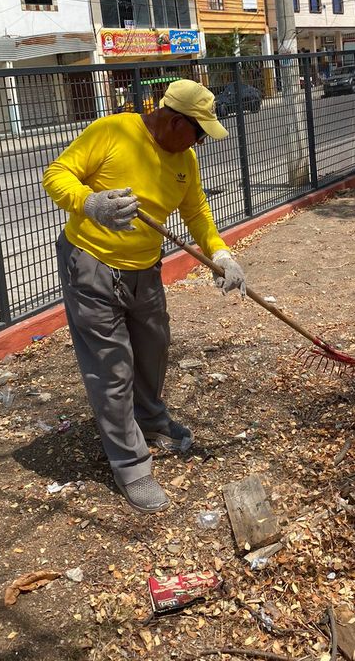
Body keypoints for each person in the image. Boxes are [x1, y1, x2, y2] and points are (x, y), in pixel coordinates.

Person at [42, 79, 246, 514]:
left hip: (145, 270)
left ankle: (150, 419)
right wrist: (90, 203)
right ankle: (131, 466)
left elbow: (196, 211)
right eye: (198, 133)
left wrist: (221, 254)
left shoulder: (184, 159)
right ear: (174, 121)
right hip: (92, 264)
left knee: (154, 347)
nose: (200, 143)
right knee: (111, 367)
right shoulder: (112, 131)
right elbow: (56, 174)